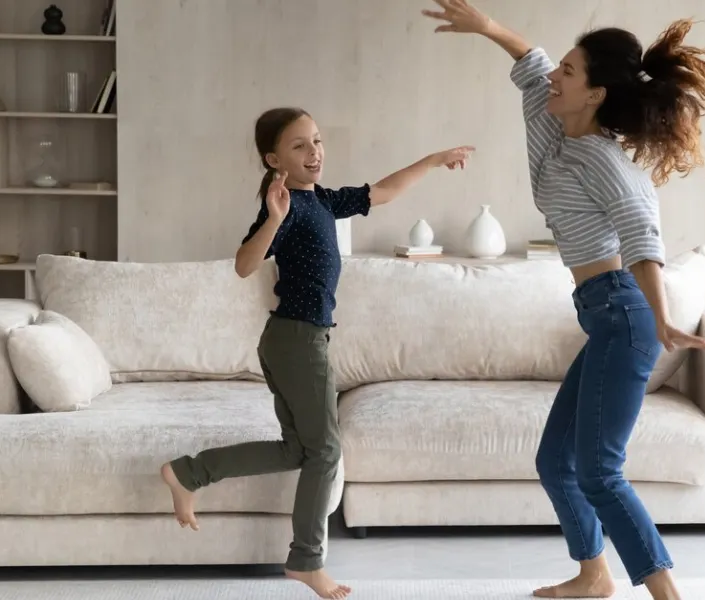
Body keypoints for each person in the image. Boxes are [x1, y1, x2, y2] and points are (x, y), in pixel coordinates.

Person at [423, 2, 705, 599]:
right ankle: (594, 575)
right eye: (560, 67)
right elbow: (530, 61)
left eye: (569, 71)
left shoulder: (604, 159)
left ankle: (668, 595)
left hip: (625, 314)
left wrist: (663, 317)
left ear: (595, 94)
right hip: (604, 315)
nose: (554, 77)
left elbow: (642, 236)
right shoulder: (553, 122)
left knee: (599, 472)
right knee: (555, 461)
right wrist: (486, 28)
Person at [159, 106, 473, 600]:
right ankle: (307, 560)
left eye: (318, 141)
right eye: (299, 145)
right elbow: (244, 264)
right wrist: (274, 217)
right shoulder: (286, 206)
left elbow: (383, 191)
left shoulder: (322, 199)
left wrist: (434, 160)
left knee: (298, 450)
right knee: (325, 450)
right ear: (274, 159)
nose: (314, 152)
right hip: (297, 341)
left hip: (297, 340)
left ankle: (188, 472)